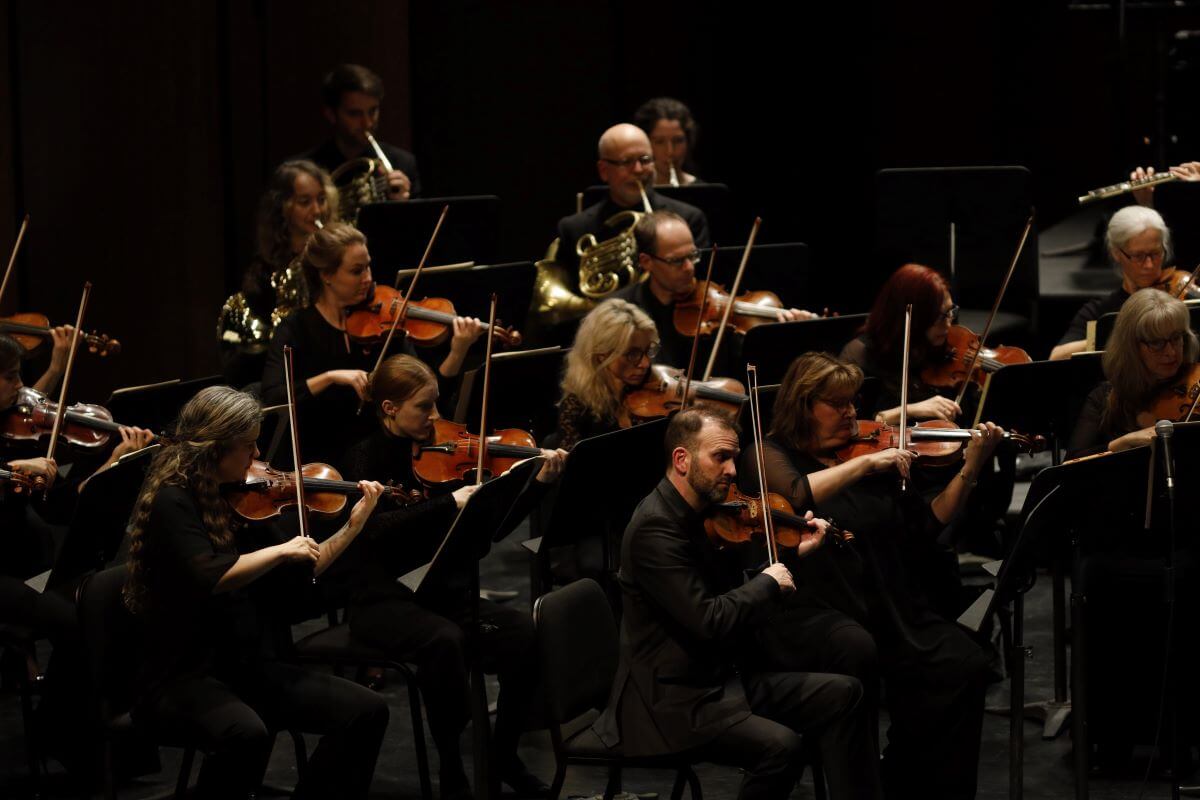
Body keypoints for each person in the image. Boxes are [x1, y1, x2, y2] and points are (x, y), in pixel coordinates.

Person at [747, 352, 1003, 799]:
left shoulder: (871, 452)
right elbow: (796, 493)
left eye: (853, 402)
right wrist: (867, 465)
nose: (851, 413)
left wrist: (971, 468)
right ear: (803, 406)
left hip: (886, 604)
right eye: (838, 404)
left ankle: (918, 782)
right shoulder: (768, 454)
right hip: (817, 610)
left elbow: (927, 526)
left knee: (965, 664)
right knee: (866, 653)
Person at [592, 406, 881, 800]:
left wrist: (793, 554)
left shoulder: (705, 513)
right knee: (782, 748)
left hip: (721, 677)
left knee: (845, 693)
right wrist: (768, 581)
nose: (732, 470)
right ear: (682, 460)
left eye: (733, 457)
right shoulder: (655, 530)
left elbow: (738, 594)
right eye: (720, 457)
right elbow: (709, 619)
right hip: (674, 702)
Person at [122, 385, 389, 799]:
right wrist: (281, 550)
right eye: (248, 446)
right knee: (246, 732)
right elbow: (210, 574)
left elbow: (303, 567)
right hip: (182, 673)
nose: (257, 455)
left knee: (367, 711)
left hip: (244, 663)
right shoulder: (173, 502)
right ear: (214, 449)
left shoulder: (242, 499)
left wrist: (352, 527)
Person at [343, 354, 567, 799]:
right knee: (445, 641)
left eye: (437, 405)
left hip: (441, 595)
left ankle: (502, 754)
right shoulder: (364, 460)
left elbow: (494, 527)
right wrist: (449, 504)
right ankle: (450, 762)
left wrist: (538, 485)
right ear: (389, 409)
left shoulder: (443, 455)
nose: (436, 418)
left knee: (523, 633)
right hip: (384, 601)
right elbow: (374, 533)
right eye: (423, 408)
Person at [262, 222, 485, 468]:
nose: (368, 278)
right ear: (326, 275)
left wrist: (458, 350)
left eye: (368, 266)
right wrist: (330, 377)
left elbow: (425, 395)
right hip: (321, 460)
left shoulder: (383, 326)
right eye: (356, 271)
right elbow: (273, 397)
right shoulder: (296, 329)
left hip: (382, 455)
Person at [613, 210, 813, 377]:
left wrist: (788, 333)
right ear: (646, 261)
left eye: (692, 255)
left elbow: (748, 364)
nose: (689, 268)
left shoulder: (714, 307)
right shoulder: (622, 310)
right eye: (677, 261)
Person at [219, 160, 338, 385]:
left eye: (321, 200)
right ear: (283, 206)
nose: (317, 210)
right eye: (305, 202)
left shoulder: (333, 255)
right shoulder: (263, 271)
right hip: (291, 370)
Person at [554, 123, 709, 273]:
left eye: (645, 159)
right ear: (604, 170)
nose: (638, 169)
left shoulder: (688, 219)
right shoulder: (575, 230)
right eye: (626, 162)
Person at [1066, 287, 1198, 459]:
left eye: (1175, 338)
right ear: (1132, 347)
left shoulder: (1196, 385)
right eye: (1156, 343)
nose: (1171, 352)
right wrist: (1124, 442)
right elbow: (1070, 464)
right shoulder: (1104, 399)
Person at [840, 263, 966, 424]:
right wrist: (908, 410)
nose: (949, 324)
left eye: (951, 311)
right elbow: (851, 424)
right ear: (914, 317)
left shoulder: (936, 347)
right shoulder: (859, 355)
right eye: (940, 316)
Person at [1050, 206, 1175, 361]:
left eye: (1155, 253)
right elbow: (1056, 357)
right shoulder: (1099, 310)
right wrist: (1117, 336)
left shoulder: (1178, 294)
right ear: (1116, 253)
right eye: (1138, 256)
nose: (1149, 265)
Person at [298, 63, 420, 200]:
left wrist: (403, 207)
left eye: (373, 111)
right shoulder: (305, 172)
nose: (367, 123)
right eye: (355, 114)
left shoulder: (403, 164)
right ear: (331, 114)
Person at [554, 299, 659, 450]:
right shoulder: (576, 408)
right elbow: (573, 469)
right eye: (632, 354)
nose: (646, 363)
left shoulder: (654, 386)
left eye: (648, 350)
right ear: (601, 354)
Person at [632, 97, 700, 187]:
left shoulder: (706, 193)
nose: (670, 152)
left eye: (678, 141)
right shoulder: (633, 193)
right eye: (659, 142)